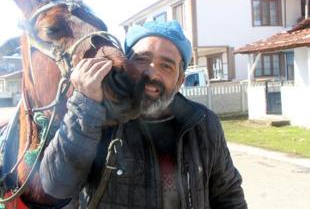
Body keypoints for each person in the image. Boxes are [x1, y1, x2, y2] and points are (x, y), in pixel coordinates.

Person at [39, 20, 247, 208]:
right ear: (123, 63)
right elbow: (56, 186)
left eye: (166, 66)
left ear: (180, 80)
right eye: (141, 59)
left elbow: (228, 195)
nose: (151, 72)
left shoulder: (203, 123)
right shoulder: (95, 117)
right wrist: (84, 104)